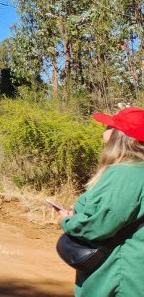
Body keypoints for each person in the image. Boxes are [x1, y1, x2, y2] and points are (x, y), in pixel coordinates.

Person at [58, 106, 144, 296]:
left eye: (110, 127)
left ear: (123, 137)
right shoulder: (138, 170)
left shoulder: (125, 172)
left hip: (120, 277)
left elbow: (99, 224)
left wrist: (67, 220)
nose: (105, 131)